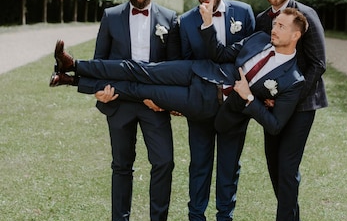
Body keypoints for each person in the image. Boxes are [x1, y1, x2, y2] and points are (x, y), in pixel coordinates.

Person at [50, 8, 307, 140]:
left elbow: (274, 126)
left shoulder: (293, 79)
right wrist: (207, 26)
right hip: (198, 69)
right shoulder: (260, 38)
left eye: (281, 27)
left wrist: (250, 99)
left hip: (207, 102)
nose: (274, 29)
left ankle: (72, 81)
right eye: (275, 24)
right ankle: (74, 65)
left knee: (142, 91)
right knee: (137, 69)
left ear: (295, 35)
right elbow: (222, 54)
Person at [83, 0, 181, 221]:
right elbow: (100, 60)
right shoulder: (111, 16)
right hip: (120, 103)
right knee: (121, 165)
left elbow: (173, 68)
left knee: (164, 162)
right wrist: (101, 92)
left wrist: (161, 98)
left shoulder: (169, 18)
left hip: (154, 105)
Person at [254, 0, 328, 221]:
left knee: (287, 169)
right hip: (271, 106)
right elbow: (260, 61)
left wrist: (291, 97)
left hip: (301, 106)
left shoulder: (306, 15)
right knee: (275, 169)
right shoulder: (261, 21)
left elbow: (319, 63)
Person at [179, 0, 255, 221]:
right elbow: (184, 65)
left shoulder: (244, 13)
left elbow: (253, 57)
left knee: (229, 165)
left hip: (234, 106)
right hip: (200, 106)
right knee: (199, 165)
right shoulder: (185, 21)